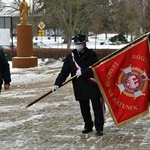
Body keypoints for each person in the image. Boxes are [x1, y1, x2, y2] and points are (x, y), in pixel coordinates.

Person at [52, 34, 104, 136]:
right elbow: (64, 72)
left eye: (79, 44)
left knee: (96, 108)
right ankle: (88, 126)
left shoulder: (91, 55)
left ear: (84, 43)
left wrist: (84, 72)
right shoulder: (70, 57)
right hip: (80, 86)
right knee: (84, 108)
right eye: (76, 44)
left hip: (92, 85)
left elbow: (96, 68)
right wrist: (57, 83)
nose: (77, 46)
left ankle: (99, 128)